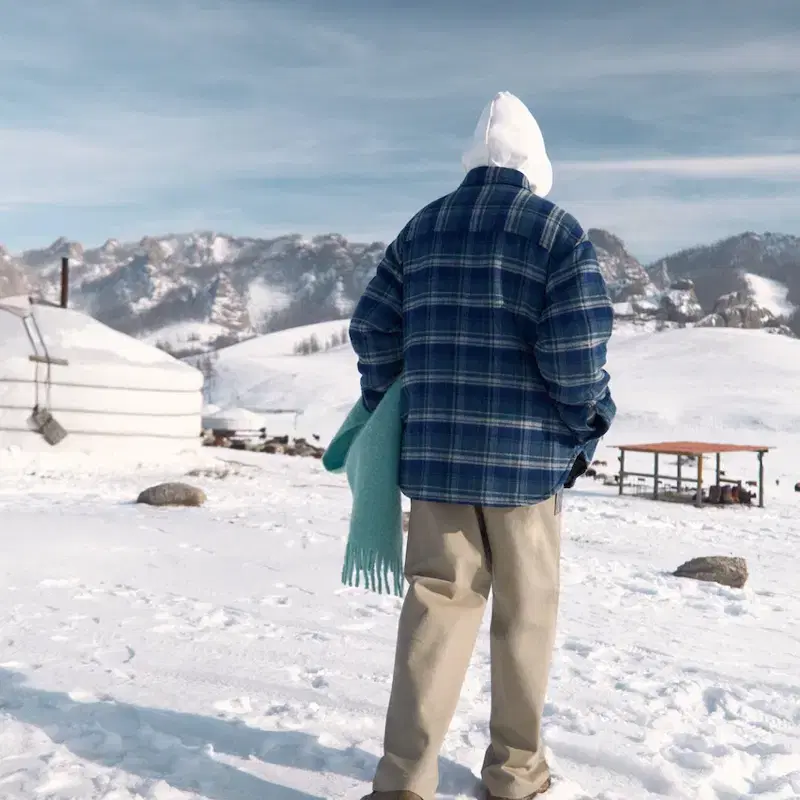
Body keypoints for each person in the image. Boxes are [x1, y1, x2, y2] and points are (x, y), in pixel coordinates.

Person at [349, 91, 616, 800]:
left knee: (436, 612)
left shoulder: (422, 228)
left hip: (435, 465)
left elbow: (372, 328)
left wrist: (394, 403)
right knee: (525, 620)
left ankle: (405, 779)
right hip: (528, 468)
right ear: (535, 163)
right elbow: (576, 351)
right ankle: (515, 775)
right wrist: (580, 420)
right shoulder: (554, 232)